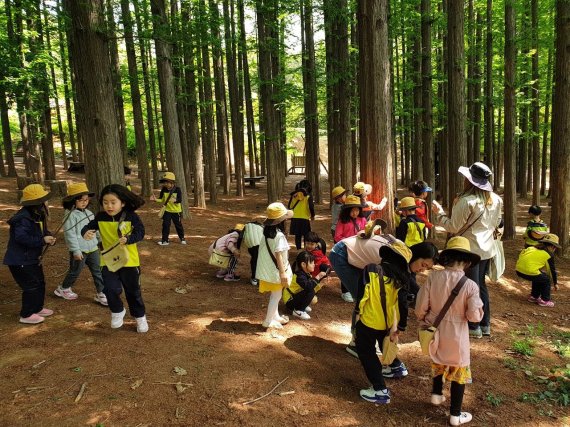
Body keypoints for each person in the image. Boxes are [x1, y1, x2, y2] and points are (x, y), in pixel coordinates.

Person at [416, 236, 484, 426]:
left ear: (446, 258)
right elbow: (474, 317)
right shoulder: (470, 285)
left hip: (435, 329)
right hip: (457, 334)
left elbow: (421, 304)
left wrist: (423, 319)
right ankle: (455, 414)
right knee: (458, 369)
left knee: (438, 361)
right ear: (467, 262)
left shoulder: (433, 277)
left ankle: (436, 395)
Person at [432, 162, 503, 339]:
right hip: (486, 249)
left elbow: (453, 227)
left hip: (468, 250)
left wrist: (439, 213)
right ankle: (485, 323)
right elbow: (496, 223)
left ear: (470, 181)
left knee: (471, 287)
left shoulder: (466, 201)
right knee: (480, 285)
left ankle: (474, 325)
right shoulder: (496, 199)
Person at [82, 184, 148, 333]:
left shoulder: (131, 216)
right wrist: (85, 232)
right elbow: (87, 227)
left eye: (113, 202)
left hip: (129, 261)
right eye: (105, 202)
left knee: (133, 292)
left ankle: (140, 317)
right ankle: (117, 311)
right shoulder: (100, 217)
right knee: (110, 289)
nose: (109, 206)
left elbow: (141, 232)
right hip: (108, 261)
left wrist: (129, 239)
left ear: (122, 202)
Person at [356, 241, 412, 404]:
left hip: (369, 320)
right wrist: (399, 326)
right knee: (383, 342)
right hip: (387, 323)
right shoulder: (402, 278)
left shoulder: (372, 269)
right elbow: (402, 304)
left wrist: (358, 316)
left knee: (366, 351)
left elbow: (362, 296)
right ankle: (396, 367)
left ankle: (380, 389)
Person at [3, 184, 55, 324]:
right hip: (20, 260)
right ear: (35, 202)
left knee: (40, 282)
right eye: (42, 200)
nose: (44, 202)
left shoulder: (37, 214)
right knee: (31, 286)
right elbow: (21, 238)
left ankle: (37, 308)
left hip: (32, 258)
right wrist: (42, 240)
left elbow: (42, 232)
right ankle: (26, 314)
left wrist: (48, 237)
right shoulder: (23, 218)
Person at [54, 182, 107, 306]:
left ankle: (102, 293)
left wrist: (99, 241)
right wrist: (76, 250)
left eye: (86, 200)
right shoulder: (70, 215)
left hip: (93, 248)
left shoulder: (89, 213)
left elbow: (95, 229)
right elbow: (70, 234)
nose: (84, 202)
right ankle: (63, 288)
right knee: (75, 271)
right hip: (80, 250)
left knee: (98, 271)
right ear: (73, 201)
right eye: (81, 200)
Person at [256, 202, 293, 329]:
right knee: (276, 296)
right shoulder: (279, 236)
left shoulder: (267, 234)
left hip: (268, 271)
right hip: (276, 272)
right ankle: (268, 321)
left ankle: (275, 316)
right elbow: (278, 256)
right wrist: (283, 273)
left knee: (274, 295)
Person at [334, 195, 367, 302]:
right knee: (346, 269)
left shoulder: (362, 219)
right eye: (352, 210)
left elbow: (366, 231)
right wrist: (349, 241)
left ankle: (357, 290)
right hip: (346, 249)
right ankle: (345, 292)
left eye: (357, 210)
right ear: (347, 210)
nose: (354, 213)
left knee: (359, 269)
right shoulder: (342, 221)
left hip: (359, 250)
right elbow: (337, 236)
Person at [515, 233, 560, 307]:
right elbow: (552, 270)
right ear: (553, 246)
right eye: (555, 248)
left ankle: (534, 296)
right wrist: (555, 283)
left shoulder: (531, 248)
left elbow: (522, 256)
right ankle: (545, 300)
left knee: (539, 276)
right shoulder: (548, 254)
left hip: (518, 269)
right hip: (528, 271)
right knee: (546, 279)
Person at [283, 251, 327, 320]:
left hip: (294, 297)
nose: (314, 264)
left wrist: (321, 284)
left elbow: (311, 287)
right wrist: (318, 277)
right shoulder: (299, 276)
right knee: (310, 291)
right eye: (311, 263)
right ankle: (298, 310)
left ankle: (301, 306)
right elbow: (309, 287)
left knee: (311, 292)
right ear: (303, 264)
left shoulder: (306, 274)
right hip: (289, 300)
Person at [150, 172, 186, 246]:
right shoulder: (164, 189)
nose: (165, 184)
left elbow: (180, 200)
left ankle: (182, 238)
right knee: (165, 225)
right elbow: (162, 199)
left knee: (178, 225)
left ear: (172, 182)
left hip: (176, 211)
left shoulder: (177, 189)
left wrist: (175, 201)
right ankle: (165, 240)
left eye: (167, 182)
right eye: (164, 182)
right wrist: (155, 199)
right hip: (167, 211)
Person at [288, 179, 315, 250]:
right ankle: (306, 250)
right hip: (305, 219)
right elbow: (311, 207)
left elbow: (290, 206)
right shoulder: (308, 196)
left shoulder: (294, 195)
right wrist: (312, 215)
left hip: (295, 218)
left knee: (297, 235)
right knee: (306, 235)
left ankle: (298, 250)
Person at [241, 222, 264, 286]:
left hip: (252, 245)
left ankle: (254, 278)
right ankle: (261, 278)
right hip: (262, 245)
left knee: (254, 260)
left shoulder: (246, 226)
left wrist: (237, 247)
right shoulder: (261, 226)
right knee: (262, 261)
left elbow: (241, 236)